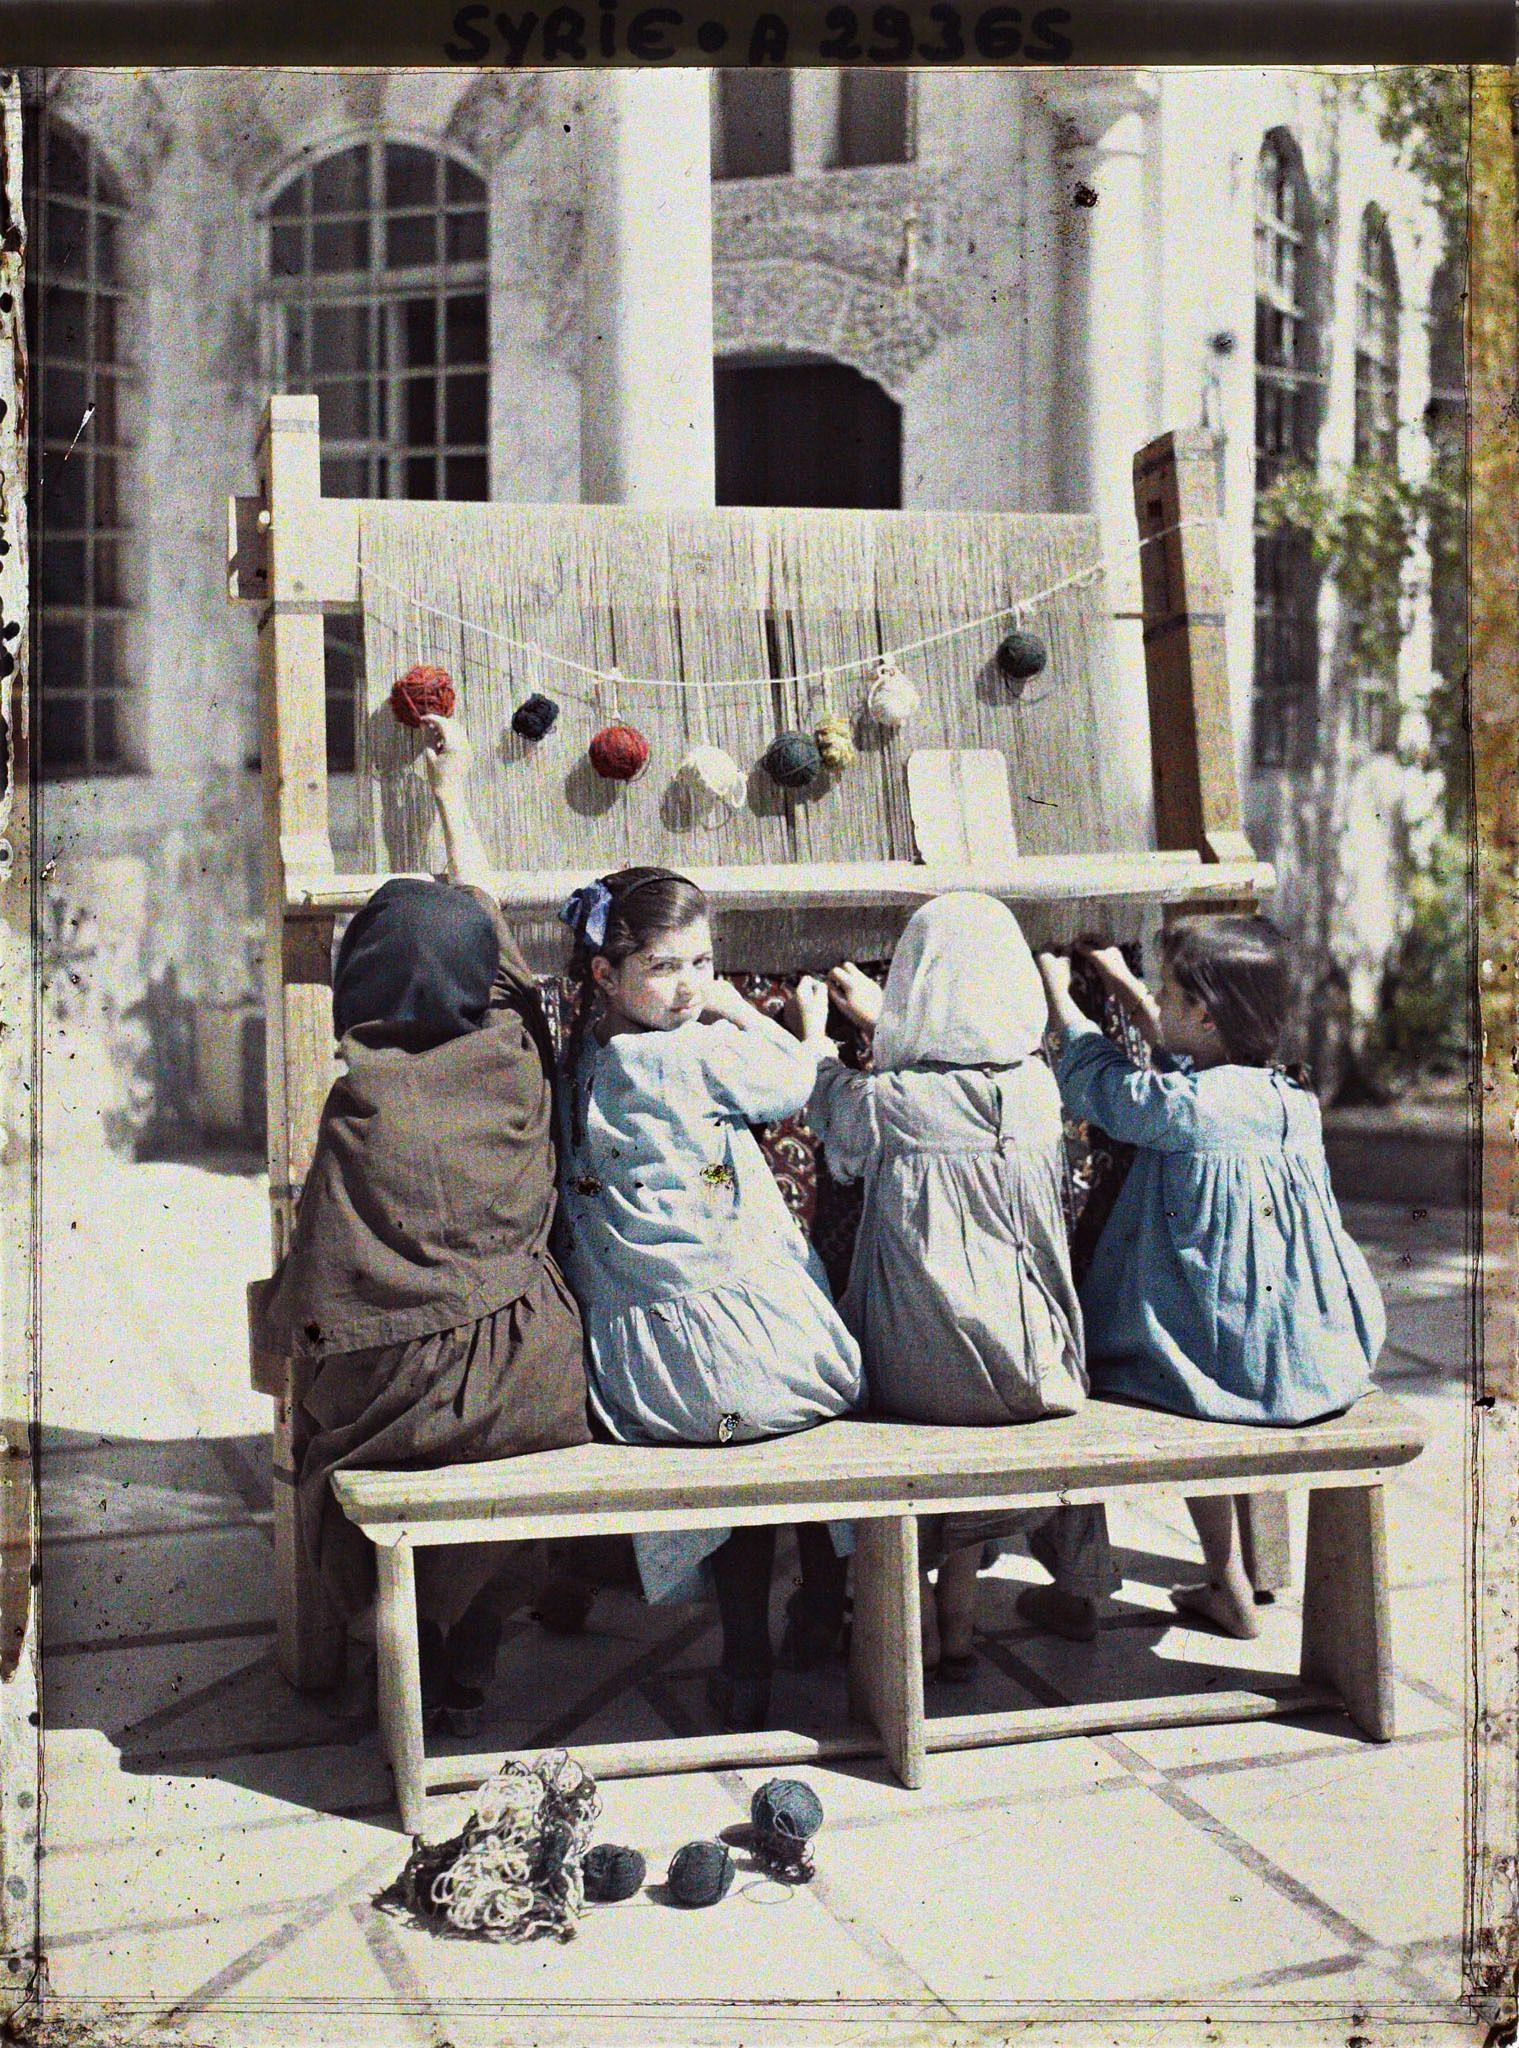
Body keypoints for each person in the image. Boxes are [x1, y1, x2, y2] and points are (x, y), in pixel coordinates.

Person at [252, 716, 590, 1726]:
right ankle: (466, 1659)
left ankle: (406, 1651)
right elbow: (486, 929)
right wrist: (451, 795)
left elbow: (324, 1269)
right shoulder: (520, 1050)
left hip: (397, 1385)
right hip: (529, 1375)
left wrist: (289, 1333)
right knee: (500, 1429)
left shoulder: (358, 1100)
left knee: (339, 1430)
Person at [554, 866, 864, 1732]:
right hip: (755, 1369)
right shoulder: (697, 1049)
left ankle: (749, 1649)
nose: (688, 985)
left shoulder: (585, 1053)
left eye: (702, 963)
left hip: (641, 1380)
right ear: (605, 975)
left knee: (738, 1416)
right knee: (804, 1371)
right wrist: (740, 1004)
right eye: (664, 967)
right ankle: (814, 1607)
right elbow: (791, 1080)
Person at [1035, 917, 1386, 1639]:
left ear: (1201, 1011)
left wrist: (1056, 989)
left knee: (1104, 1363)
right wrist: (1122, 981)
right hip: (1308, 1355)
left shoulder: (1183, 1111)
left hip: (1224, 1364)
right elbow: (1183, 1051)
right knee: (1203, 1348)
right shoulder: (1290, 1099)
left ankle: (1090, 1581)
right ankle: (1225, 1585)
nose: (1155, 1004)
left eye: (1167, 993)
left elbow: (1096, 1082)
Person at [801, 894, 1110, 1680]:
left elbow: (831, 1105)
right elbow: (959, 1076)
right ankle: (960, 1625)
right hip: (1032, 1365)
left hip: (919, 1377)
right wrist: (891, 1032)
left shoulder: (893, 1101)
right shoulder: (1039, 1092)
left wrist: (814, 1033)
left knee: (898, 1342)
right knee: (973, 1363)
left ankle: (905, 1624)